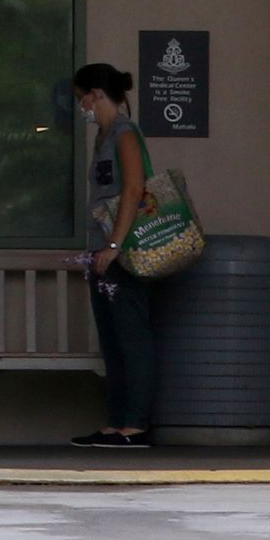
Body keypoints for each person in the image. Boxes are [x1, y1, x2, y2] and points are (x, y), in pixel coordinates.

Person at [74, 61, 158, 448]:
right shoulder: (103, 136)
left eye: (82, 98)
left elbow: (134, 188)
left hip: (122, 252)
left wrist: (114, 244)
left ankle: (136, 423)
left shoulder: (125, 133)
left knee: (131, 335)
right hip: (100, 251)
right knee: (111, 338)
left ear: (96, 94)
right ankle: (118, 419)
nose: (82, 106)